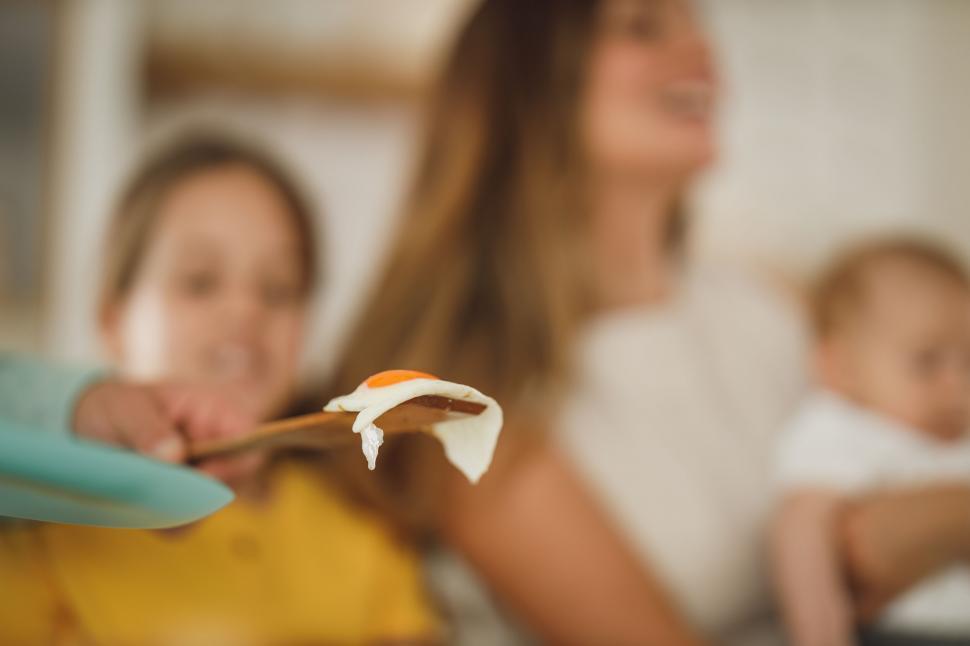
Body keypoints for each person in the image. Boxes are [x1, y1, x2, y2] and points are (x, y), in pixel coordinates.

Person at [326, 1, 970, 643]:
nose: (700, 50)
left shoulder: (767, 306)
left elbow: (864, 532)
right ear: (532, 88)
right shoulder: (467, 406)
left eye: (695, 22)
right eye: (644, 27)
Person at [0, 132, 438, 644]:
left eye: (278, 289)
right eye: (200, 281)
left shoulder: (367, 535)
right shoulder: (45, 533)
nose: (246, 312)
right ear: (113, 321)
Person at [772, 239, 970, 646]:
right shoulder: (844, 428)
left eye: (969, 361)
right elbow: (800, 530)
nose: (957, 387)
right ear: (841, 368)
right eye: (927, 360)